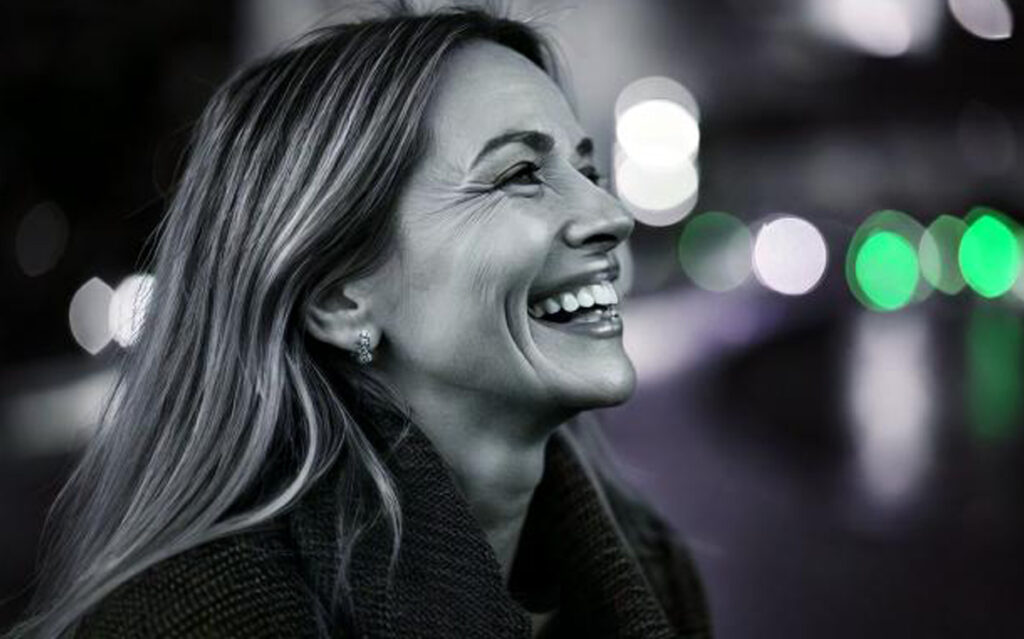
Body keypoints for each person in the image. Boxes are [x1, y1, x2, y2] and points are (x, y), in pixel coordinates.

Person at [8, 4, 711, 637]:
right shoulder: (196, 619)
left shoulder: (653, 567)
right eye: (519, 173)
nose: (611, 215)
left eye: (586, 170)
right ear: (340, 298)